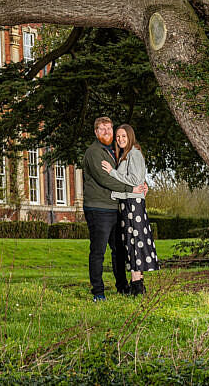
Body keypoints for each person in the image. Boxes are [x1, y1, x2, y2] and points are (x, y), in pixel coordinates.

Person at [82, 116, 148, 301]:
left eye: (109, 129)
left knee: (120, 250)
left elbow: (128, 174)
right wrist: (131, 189)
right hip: (98, 208)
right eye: (102, 129)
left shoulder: (115, 151)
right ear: (96, 132)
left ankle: (123, 287)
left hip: (116, 208)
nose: (107, 132)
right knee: (98, 251)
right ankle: (98, 292)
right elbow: (106, 179)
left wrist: (142, 184)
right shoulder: (94, 152)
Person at [101, 123, 159, 295]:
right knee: (134, 242)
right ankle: (139, 285)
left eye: (123, 136)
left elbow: (134, 180)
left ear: (130, 137)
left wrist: (112, 172)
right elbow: (137, 181)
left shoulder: (134, 154)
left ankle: (136, 286)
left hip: (133, 207)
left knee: (134, 242)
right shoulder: (128, 155)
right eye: (118, 137)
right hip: (130, 205)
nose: (120, 140)